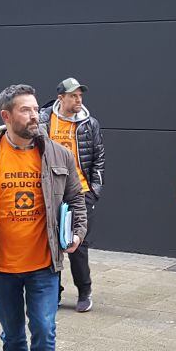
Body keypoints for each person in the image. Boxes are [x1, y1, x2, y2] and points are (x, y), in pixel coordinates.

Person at [0, 84, 87, 351]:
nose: (35, 115)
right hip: (1, 266)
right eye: (25, 110)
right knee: (13, 337)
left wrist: (78, 231)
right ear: (6, 116)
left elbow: (76, 199)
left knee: (45, 332)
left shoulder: (59, 155)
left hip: (44, 265)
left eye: (36, 109)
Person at [39, 77, 104, 313]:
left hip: (81, 192)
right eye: (73, 96)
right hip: (51, 193)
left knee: (78, 245)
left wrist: (94, 190)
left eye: (80, 96)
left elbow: (99, 158)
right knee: (50, 244)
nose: (78, 100)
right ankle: (54, 292)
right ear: (61, 98)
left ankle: (84, 291)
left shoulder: (89, 123)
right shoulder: (44, 120)